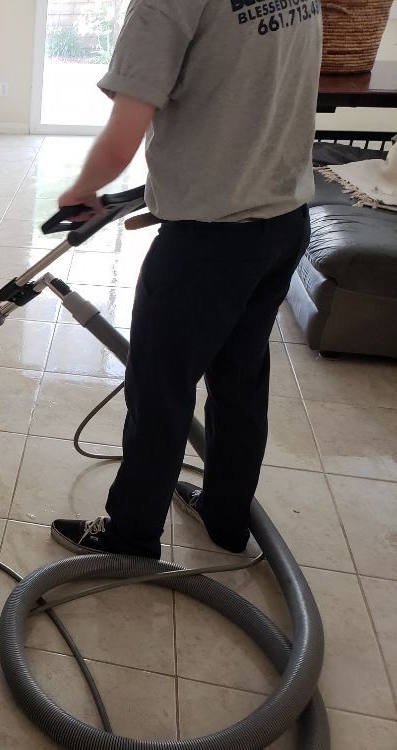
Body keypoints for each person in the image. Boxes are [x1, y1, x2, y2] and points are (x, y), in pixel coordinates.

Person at [50, 0, 322, 559]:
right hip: (284, 223)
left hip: (208, 241)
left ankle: (130, 535)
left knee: (159, 393)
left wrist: (82, 189)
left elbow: (124, 133)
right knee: (240, 383)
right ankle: (226, 519)